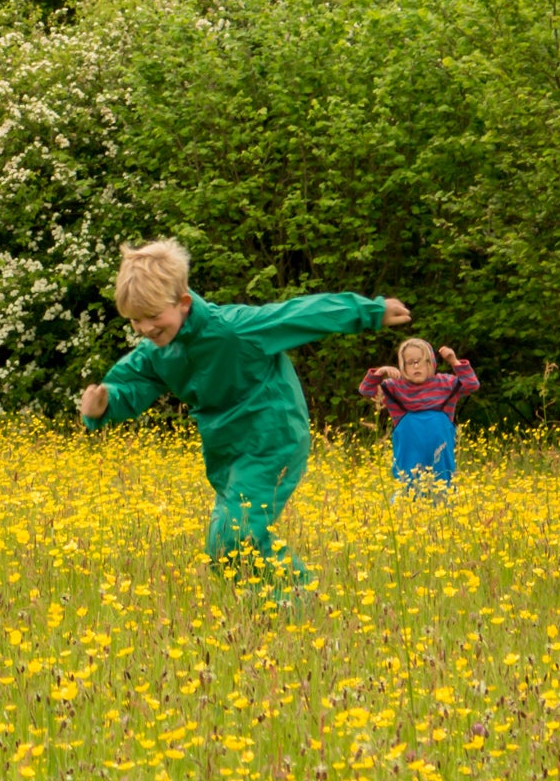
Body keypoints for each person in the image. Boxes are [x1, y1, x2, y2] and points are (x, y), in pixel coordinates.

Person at [77, 239, 410, 585]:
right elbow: (130, 384)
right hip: (227, 451)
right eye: (136, 321)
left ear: (183, 302)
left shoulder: (234, 329)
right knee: (223, 547)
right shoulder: (156, 352)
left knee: (236, 538)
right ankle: (267, 610)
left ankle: (301, 599)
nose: (145, 328)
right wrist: (103, 404)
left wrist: (369, 311)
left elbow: (303, 315)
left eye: (153, 317)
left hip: (271, 437)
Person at [360, 338, 478, 488]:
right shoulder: (394, 387)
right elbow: (366, 390)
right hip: (409, 467)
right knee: (408, 492)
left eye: (421, 361)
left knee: (443, 493)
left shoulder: (446, 383)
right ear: (402, 366)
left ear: (432, 362)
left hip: (442, 465)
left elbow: (472, 385)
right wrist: (380, 372)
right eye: (410, 362)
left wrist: (454, 361)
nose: (416, 366)